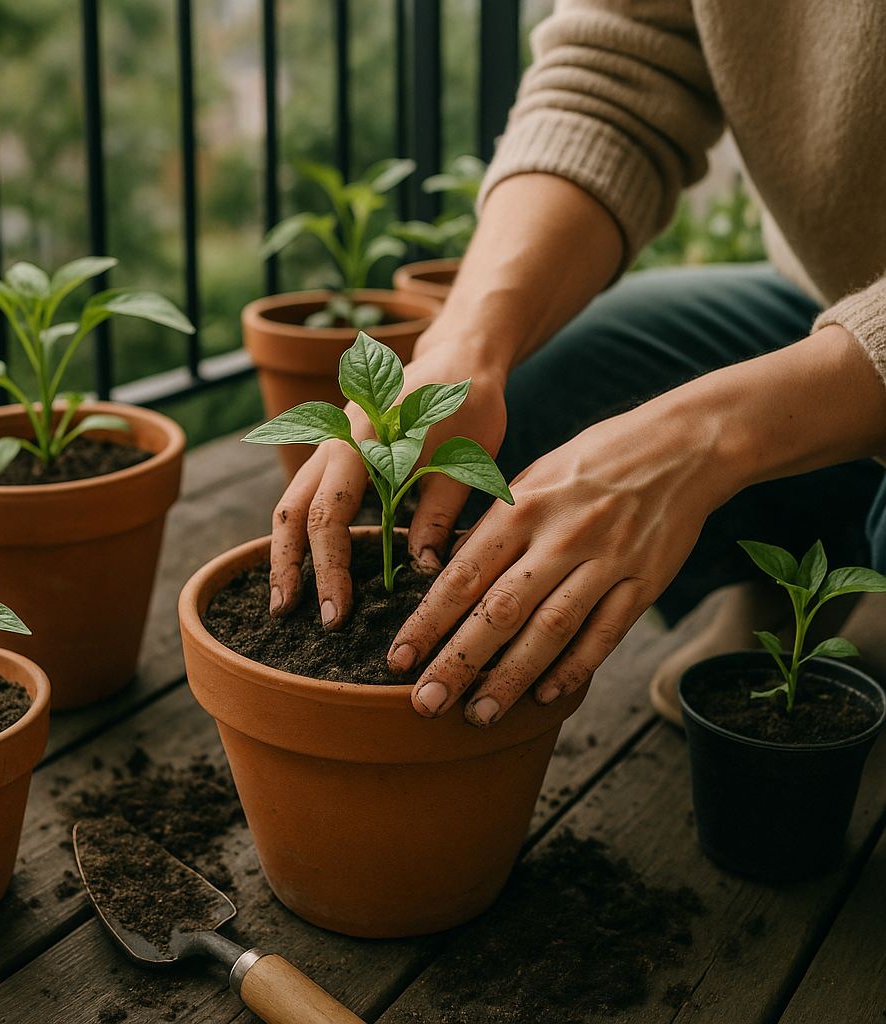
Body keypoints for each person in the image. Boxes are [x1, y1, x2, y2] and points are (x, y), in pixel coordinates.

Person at [265, 0, 886, 728]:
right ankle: (806, 559)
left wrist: (704, 440)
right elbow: (617, 71)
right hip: (824, 296)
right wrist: (463, 348)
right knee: (534, 403)